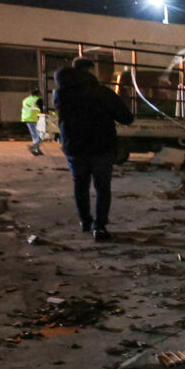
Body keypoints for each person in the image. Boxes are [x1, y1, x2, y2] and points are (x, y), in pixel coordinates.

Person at [53, 59, 134, 241]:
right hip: (101, 147)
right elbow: (125, 118)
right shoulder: (101, 92)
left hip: (74, 148)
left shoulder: (60, 94)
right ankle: (100, 227)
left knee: (80, 185)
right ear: (90, 71)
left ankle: (85, 221)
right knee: (102, 188)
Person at [20, 88, 43, 156]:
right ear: (38, 93)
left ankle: (37, 150)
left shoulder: (26, 99)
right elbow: (42, 110)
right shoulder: (38, 99)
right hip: (35, 119)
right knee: (41, 135)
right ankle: (34, 148)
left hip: (27, 119)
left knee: (34, 135)